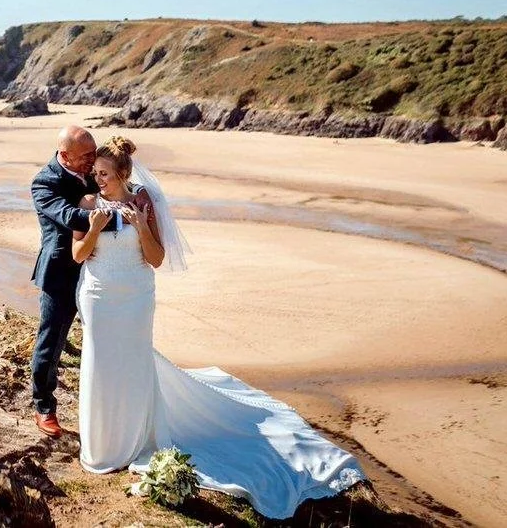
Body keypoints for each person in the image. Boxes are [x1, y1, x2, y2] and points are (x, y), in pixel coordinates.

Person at [72, 135, 365, 519]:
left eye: (105, 174)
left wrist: (141, 225)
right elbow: (78, 254)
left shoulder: (142, 201)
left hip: (136, 297)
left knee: (133, 362)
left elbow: (156, 259)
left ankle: (134, 437)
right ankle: (102, 443)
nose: (98, 180)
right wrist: (94, 229)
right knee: (100, 363)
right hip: (100, 296)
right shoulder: (87, 204)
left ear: (123, 174)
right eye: (96, 174)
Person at [28, 124, 132, 437]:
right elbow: (70, 217)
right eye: (86, 156)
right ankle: (43, 407)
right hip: (61, 272)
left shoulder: (91, 170)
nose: (92, 159)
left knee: (108, 339)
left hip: (102, 270)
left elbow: (116, 181)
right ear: (65, 155)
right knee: (51, 341)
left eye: (93, 152)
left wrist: (135, 197)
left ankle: (114, 408)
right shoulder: (43, 182)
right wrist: (124, 216)